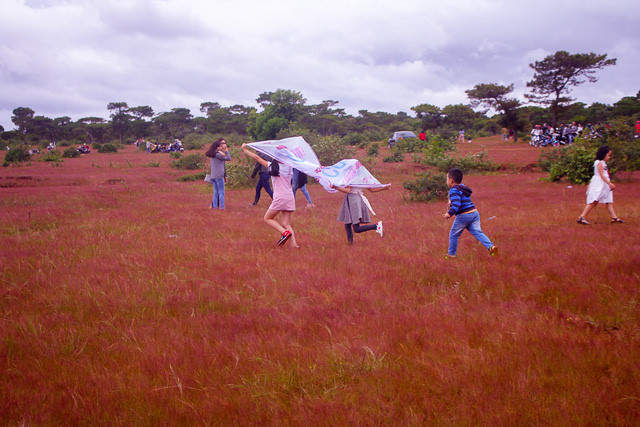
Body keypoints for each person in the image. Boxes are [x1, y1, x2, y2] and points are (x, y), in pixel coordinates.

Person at [242, 144, 299, 247]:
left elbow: (257, 158)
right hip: (290, 196)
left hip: (280, 197)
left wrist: (245, 149)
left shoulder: (272, 166)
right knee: (286, 223)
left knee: (267, 218)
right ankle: (294, 245)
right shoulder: (290, 166)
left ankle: (284, 233)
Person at [443, 168, 497, 257]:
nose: (446, 181)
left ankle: (451, 255)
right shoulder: (462, 187)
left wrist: (449, 214)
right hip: (474, 214)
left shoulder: (453, 190)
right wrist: (451, 202)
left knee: (453, 235)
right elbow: (461, 200)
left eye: (447, 179)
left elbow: (457, 205)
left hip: (464, 216)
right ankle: (491, 247)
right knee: (478, 232)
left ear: (451, 180)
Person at [577, 145, 623, 224]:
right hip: (600, 184)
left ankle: (614, 217)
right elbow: (601, 175)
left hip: (604, 184)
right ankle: (582, 216)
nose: (609, 157)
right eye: (608, 155)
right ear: (603, 154)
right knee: (594, 201)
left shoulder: (603, 163)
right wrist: (609, 183)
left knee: (608, 200)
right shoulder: (599, 163)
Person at [205, 138, 231, 210]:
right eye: (220, 146)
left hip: (214, 176)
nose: (221, 147)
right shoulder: (218, 155)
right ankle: (222, 207)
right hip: (219, 176)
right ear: (217, 147)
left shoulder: (213, 154)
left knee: (216, 192)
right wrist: (226, 151)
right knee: (221, 192)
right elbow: (228, 158)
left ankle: (215, 207)